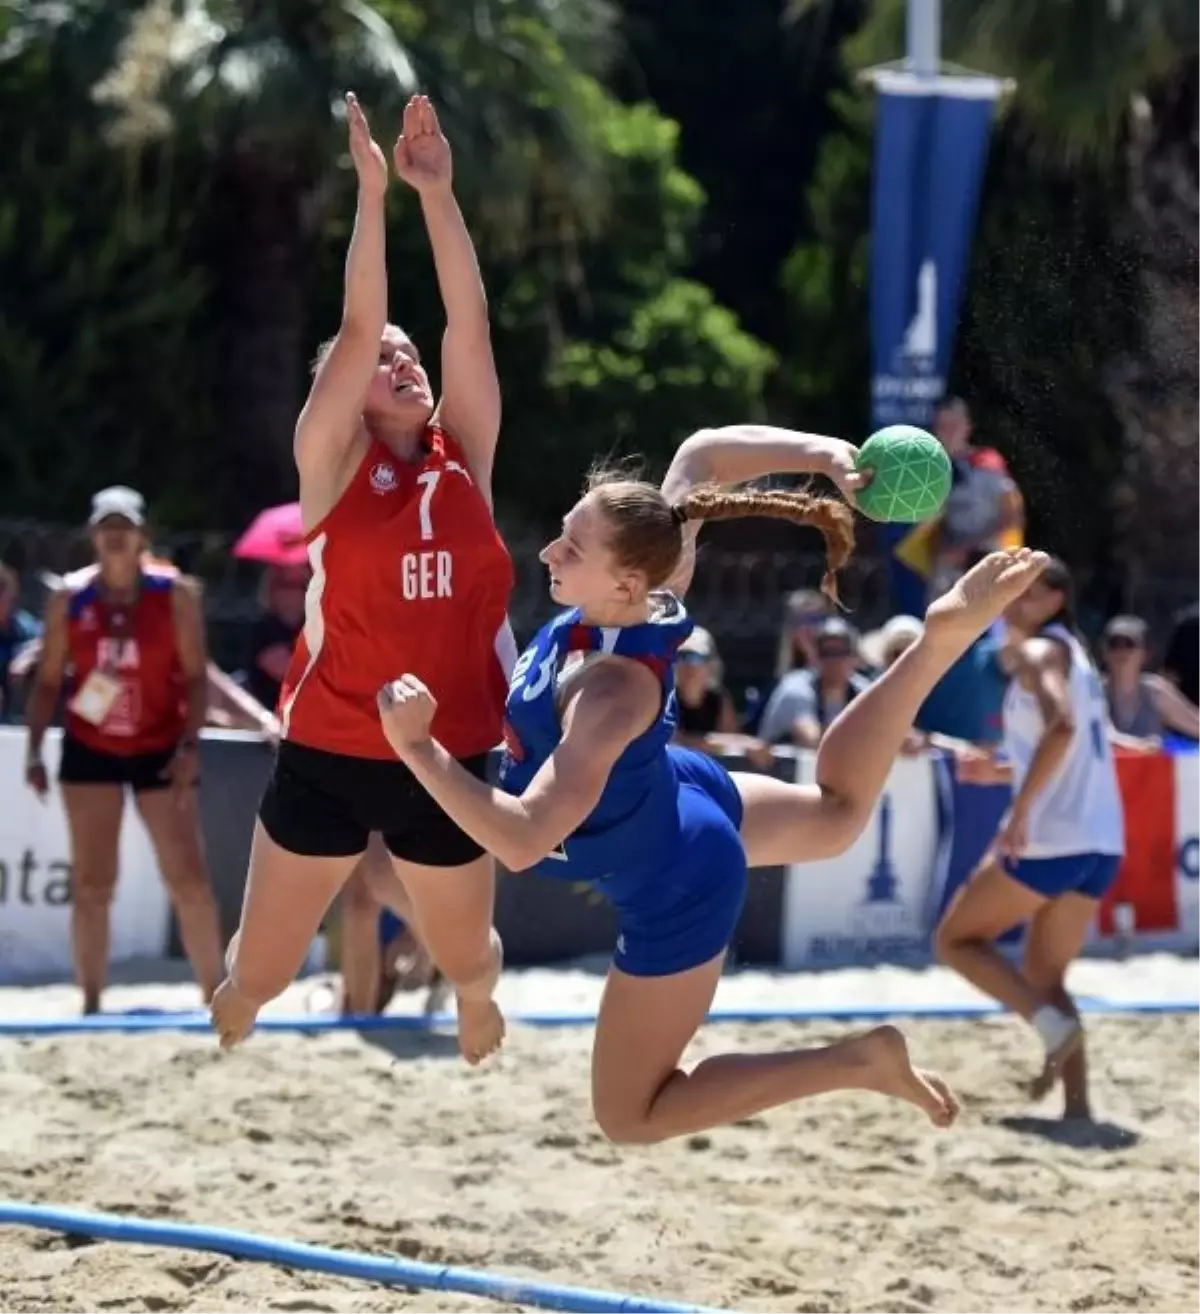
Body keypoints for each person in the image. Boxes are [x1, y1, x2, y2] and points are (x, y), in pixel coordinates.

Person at [375, 421, 1050, 1145]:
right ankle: (933, 645)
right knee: (838, 815)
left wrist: (418, 748)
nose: (548, 552)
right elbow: (700, 453)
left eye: (571, 545)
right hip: (666, 793)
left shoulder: (608, 697)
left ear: (624, 580)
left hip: (675, 875)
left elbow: (522, 835)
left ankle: (857, 1062)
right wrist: (821, 456)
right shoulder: (649, 582)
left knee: (630, 1117)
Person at [210, 93, 514, 1062]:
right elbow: (356, 322)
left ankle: (471, 998)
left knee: (470, 959)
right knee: (255, 974)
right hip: (332, 747)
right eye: (387, 360)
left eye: (407, 356)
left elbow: (468, 321)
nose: (403, 359)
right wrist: (371, 197)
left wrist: (436, 195)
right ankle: (233, 1011)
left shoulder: (462, 449)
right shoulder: (330, 463)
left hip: (452, 750)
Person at [22, 487, 224, 1014]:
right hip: (91, 745)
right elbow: (48, 682)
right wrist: (35, 749)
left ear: (141, 535)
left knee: (189, 877)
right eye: (106, 525)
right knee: (92, 881)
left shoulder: (172, 595)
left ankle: (217, 997)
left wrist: (190, 745)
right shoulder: (71, 598)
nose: (115, 534)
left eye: (125, 525)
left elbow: (198, 678)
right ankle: (90, 1002)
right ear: (93, 535)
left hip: (160, 742)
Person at [934, 558, 1123, 1121]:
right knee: (1045, 977)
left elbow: (1061, 729)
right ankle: (1079, 1110)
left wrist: (1018, 809)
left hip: (1051, 839)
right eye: (1012, 590)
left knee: (955, 941)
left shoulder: (1041, 653)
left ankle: (1051, 1028)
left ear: (1058, 600)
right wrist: (999, 771)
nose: (1016, 600)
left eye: (1031, 592)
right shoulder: (1078, 656)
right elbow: (1063, 747)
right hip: (1100, 843)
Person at [757, 617, 872, 748]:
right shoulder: (796, 687)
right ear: (815, 657)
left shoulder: (863, 689)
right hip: (777, 767)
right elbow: (813, 740)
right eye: (827, 653)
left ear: (855, 657)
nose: (834, 660)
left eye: (841, 653)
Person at [1102, 614, 1200, 744]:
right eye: (1114, 644)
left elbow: (1197, 726)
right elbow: (1104, 733)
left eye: (1129, 644)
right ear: (1104, 651)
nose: (1121, 651)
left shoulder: (1155, 692)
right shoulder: (1094, 691)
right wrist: (1138, 746)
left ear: (1145, 653)